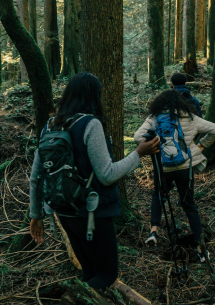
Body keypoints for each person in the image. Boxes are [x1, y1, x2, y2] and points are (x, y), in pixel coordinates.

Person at [29, 72, 160, 291]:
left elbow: (36, 176)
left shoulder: (50, 125)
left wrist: (36, 215)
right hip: (92, 213)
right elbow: (107, 174)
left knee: (89, 272)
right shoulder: (91, 125)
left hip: (64, 211)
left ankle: (72, 296)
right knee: (106, 275)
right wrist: (139, 153)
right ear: (93, 97)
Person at [134, 89, 215, 262]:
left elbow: (137, 137)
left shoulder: (154, 117)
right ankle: (200, 248)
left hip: (163, 168)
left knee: (158, 195)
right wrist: (200, 147)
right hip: (184, 167)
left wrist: (155, 147)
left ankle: (153, 232)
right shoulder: (189, 117)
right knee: (189, 204)